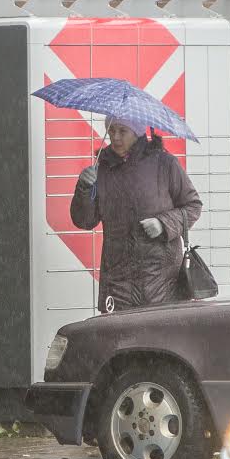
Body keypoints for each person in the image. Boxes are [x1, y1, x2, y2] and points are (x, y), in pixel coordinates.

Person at [70, 117, 203, 312]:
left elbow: (193, 206)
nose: (115, 137)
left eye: (122, 131)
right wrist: (84, 187)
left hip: (161, 285)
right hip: (117, 286)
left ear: (138, 132)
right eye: (111, 129)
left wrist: (163, 224)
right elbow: (84, 221)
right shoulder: (103, 169)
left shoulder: (165, 164)